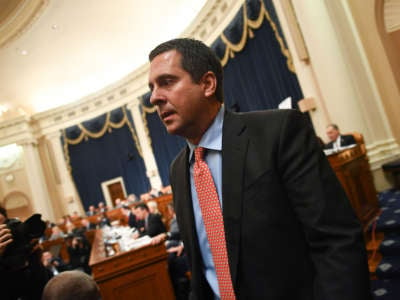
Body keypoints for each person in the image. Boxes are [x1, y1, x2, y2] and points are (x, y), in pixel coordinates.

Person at [148, 38, 371, 299]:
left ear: (207, 84)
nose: (154, 98)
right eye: (151, 88)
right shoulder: (178, 170)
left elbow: (336, 242)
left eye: (167, 82)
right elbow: (204, 272)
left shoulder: (279, 132)